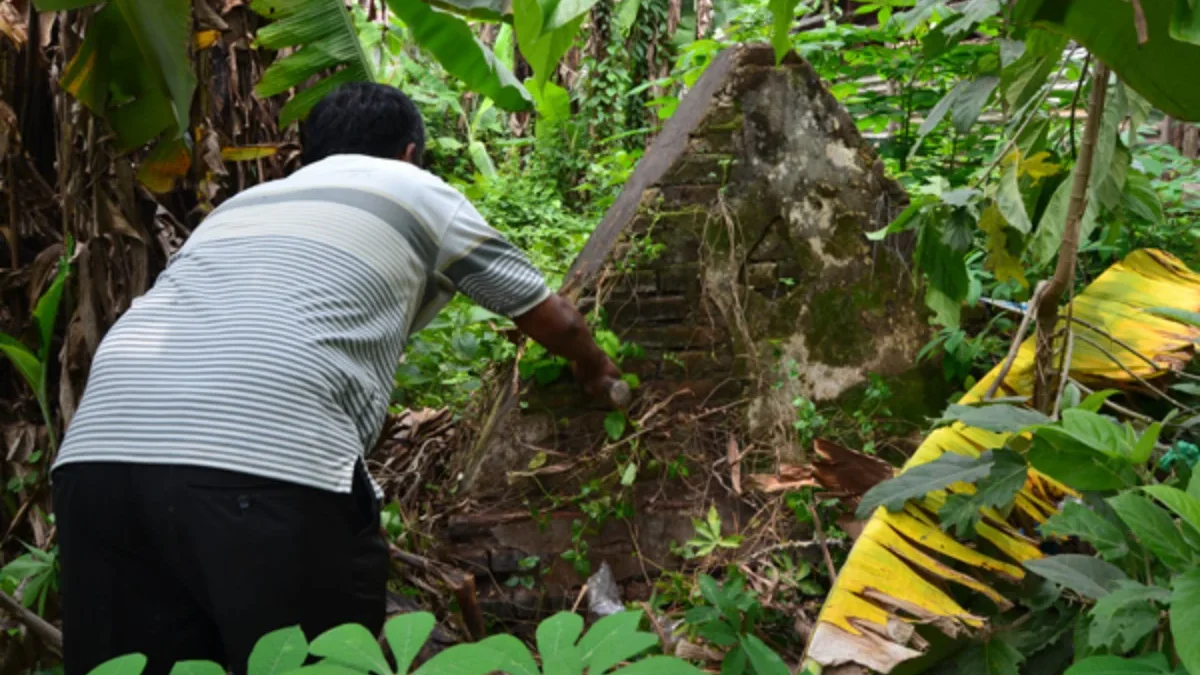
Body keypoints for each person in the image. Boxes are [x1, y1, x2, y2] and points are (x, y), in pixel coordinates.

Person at [49, 82, 622, 675]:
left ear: (310, 153)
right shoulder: (414, 188)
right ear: (409, 153)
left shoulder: (239, 207)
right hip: (264, 467)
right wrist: (595, 367)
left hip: (95, 464)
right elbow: (552, 317)